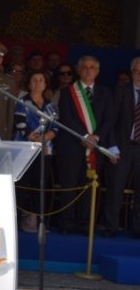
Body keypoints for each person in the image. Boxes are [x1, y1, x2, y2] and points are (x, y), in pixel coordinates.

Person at [56, 55, 114, 234]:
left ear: (97, 72)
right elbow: (66, 118)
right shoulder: (68, 92)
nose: (88, 70)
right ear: (79, 70)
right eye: (85, 67)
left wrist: (95, 137)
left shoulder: (106, 92)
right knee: (70, 185)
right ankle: (66, 222)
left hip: (94, 147)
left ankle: (85, 223)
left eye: (92, 68)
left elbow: (109, 119)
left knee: (89, 186)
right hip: (72, 146)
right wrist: (83, 135)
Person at [13, 70, 57, 232]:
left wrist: (45, 138)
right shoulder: (22, 102)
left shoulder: (50, 106)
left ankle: (38, 222)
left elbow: (56, 128)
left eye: (41, 80)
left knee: (40, 186)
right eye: (34, 80)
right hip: (25, 150)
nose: (38, 83)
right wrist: (36, 139)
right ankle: (18, 222)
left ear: (45, 85)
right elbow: (20, 124)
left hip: (45, 152)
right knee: (23, 186)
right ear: (29, 84)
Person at [103, 57, 140, 238]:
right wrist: (111, 146)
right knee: (115, 188)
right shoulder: (120, 92)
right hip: (122, 147)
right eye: (136, 71)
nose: (139, 75)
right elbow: (110, 122)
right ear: (131, 72)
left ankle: (138, 229)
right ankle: (111, 227)